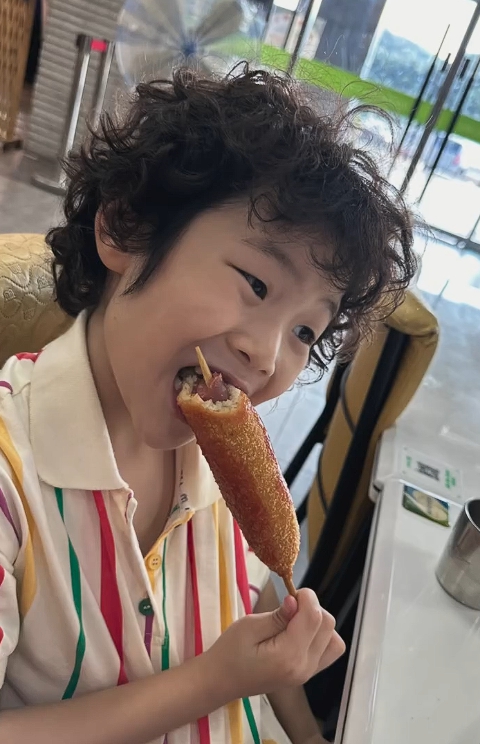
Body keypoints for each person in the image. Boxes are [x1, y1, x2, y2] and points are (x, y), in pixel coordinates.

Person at [0, 66, 416, 744]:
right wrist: (211, 682)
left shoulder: (217, 462)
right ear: (126, 228)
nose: (268, 355)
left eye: (305, 331)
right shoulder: (10, 476)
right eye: (257, 283)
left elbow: (250, 590)